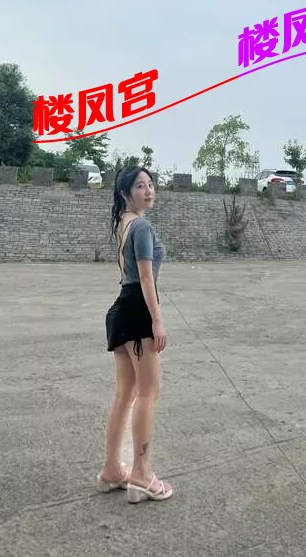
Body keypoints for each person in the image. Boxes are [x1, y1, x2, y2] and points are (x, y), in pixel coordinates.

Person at [96, 165, 174, 503]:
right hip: (138, 310)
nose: (149, 190)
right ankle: (142, 474)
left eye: (150, 184)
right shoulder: (140, 225)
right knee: (148, 393)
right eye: (140, 186)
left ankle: (112, 469)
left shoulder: (125, 223)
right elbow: (144, 276)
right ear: (126, 193)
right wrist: (157, 320)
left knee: (125, 393)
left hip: (121, 310)